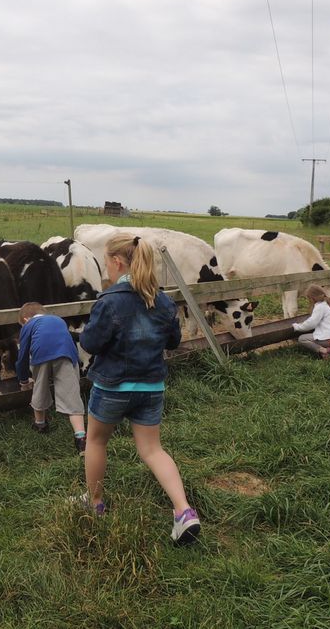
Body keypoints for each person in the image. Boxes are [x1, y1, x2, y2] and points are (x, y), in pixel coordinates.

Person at [76, 234, 200, 545]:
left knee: (96, 441)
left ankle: (95, 503)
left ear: (118, 262)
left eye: (107, 263)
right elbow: (173, 340)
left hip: (112, 387)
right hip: (151, 386)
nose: (107, 269)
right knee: (153, 450)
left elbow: (90, 343)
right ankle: (184, 512)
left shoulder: (109, 301)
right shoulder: (162, 300)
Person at [15, 302, 87, 455]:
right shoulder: (58, 320)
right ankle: (81, 439)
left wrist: (23, 380)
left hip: (41, 355)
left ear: (26, 319)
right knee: (71, 394)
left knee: (39, 388)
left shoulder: (29, 325)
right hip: (67, 355)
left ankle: (40, 425)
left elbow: (22, 357)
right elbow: (69, 341)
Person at [292, 284, 330, 359]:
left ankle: (325, 350)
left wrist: (297, 327)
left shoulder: (319, 306)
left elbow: (311, 323)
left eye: (308, 298)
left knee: (302, 339)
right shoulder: (328, 304)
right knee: (318, 335)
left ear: (312, 298)